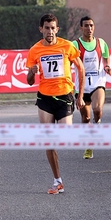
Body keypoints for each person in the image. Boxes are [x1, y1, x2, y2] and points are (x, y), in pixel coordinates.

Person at [26, 13, 85, 194]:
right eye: (46, 28)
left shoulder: (67, 46)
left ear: (57, 29)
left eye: (53, 28)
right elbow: (28, 81)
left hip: (65, 96)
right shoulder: (35, 50)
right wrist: (32, 72)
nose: (50, 31)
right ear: (41, 29)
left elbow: (81, 69)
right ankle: (57, 180)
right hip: (44, 98)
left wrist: (80, 96)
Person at [72, 16, 111, 160]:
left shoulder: (101, 43)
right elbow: (68, 61)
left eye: (91, 25)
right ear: (81, 28)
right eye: (86, 26)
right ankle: (89, 146)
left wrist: (107, 66)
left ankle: (98, 123)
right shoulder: (75, 45)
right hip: (81, 86)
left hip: (98, 82)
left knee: (97, 109)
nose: (89, 28)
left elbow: (107, 58)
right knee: (85, 117)